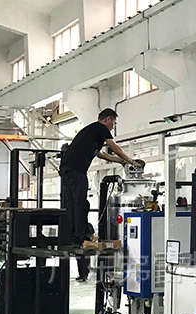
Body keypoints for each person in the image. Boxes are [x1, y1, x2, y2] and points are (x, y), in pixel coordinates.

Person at [60, 108, 144, 281]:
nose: (113, 127)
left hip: (68, 170)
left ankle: (75, 236)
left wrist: (121, 161)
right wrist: (131, 160)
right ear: (107, 119)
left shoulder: (91, 134)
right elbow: (115, 147)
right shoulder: (99, 128)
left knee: (73, 204)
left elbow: (102, 154)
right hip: (76, 171)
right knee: (81, 204)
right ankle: (81, 237)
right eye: (113, 123)